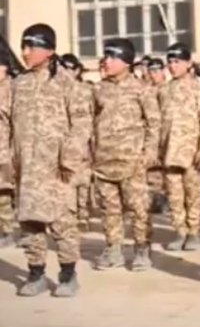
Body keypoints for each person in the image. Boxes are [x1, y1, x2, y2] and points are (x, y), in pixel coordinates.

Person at [12, 24, 92, 297]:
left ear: (48, 50)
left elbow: (82, 122)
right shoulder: (19, 83)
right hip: (26, 167)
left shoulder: (66, 82)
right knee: (29, 222)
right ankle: (36, 274)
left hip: (58, 168)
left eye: (30, 47)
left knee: (62, 222)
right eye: (23, 47)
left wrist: (70, 156)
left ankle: (68, 275)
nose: (25, 53)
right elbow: (4, 121)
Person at [92, 38, 160, 272]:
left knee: (138, 208)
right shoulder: (98, 89)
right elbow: (90, 121)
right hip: (104, 160)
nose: (107, 61)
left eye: (112, 57)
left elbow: (154, 123)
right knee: (109, 209)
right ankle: (113, 249)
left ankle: (142, 249)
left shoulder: (141, 89)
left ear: (126, 62)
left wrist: (149, 152)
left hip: (132, 161)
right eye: (106, 56)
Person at [159, 43, 200, 251]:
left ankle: (193, 232)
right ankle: (179, 231)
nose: (173, 66)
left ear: (189, 63)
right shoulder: (163, 90)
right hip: (169, 151)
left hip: (191, 151)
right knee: (174, 194)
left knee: (193, 193)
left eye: (177, 62)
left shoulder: (199, 88)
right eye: (170, 62)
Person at [59, 54, 95, 232]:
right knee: (68, 182)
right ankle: (70, 217)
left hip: (83, 143)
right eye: (62, 68)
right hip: (62, 143)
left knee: (83, 182)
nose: (65, 72)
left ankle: (83, 214)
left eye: (69, 68)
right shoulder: (56, 89)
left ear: (77, 70)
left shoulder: (86, 90)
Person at [145, 58, 169, 215]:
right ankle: (156, 197)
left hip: (166, 133)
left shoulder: (168, 89)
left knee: (167, 168)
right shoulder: (146, 90)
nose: (153, 75)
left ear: (162, 71)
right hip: (152, 134)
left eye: (156, 71)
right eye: (151, 71)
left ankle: (165, 196)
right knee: (153, 168)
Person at [0, 54, 15, 248]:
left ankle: (10, 229)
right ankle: (6, 229)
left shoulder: (13, 88)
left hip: (9, 149)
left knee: (7, 191)